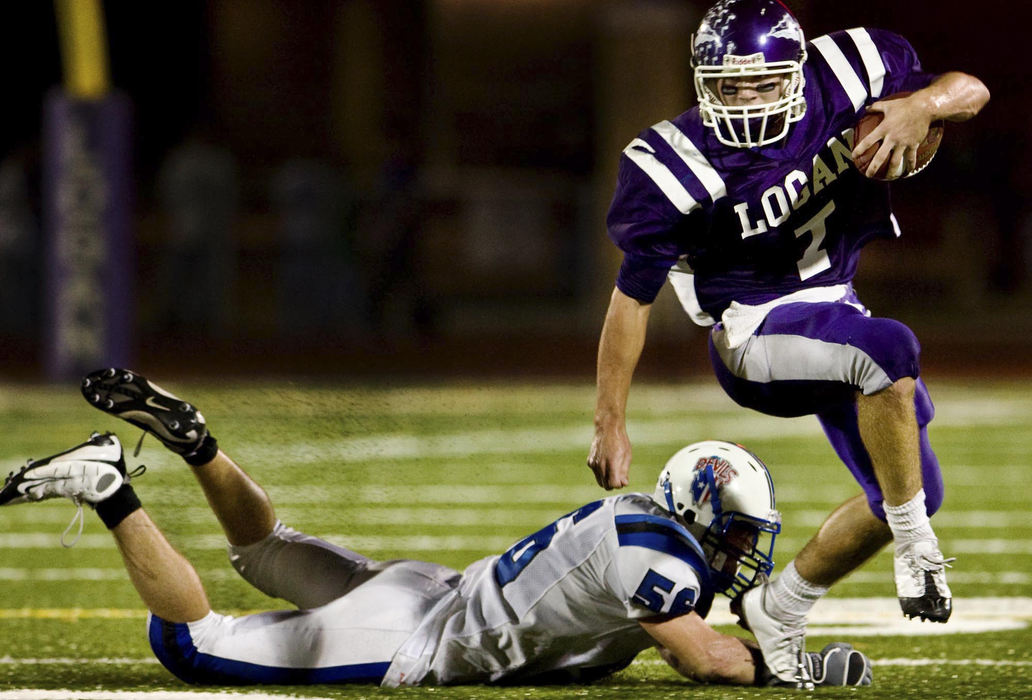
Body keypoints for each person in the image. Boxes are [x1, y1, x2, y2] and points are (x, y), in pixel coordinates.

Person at [0, 368, 871, 689]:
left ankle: (201, 448)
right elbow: (705, 657)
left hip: (437, 588)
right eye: (733, 531)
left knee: (263, 550)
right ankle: (108, 487)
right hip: (419, 630)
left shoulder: (639, 515)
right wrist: (797, 670)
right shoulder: (660, 560)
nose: (738, 550)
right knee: (194, 646)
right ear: (697, 519)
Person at [587, 0, 990, 686]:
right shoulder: (673, 162)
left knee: (911, 489)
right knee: (888, 352)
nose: (747, 100)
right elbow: (631, 299)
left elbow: (972, 90)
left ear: (797, 72)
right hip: (750, 333)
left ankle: (782, 604)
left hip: (836, 310)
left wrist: (923, 104)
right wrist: (610, 422)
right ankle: (921, 553)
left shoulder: (849, 71)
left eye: (764, 83)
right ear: (703, 82)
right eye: (730, 86)